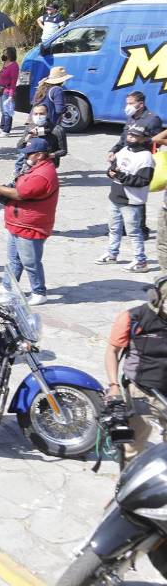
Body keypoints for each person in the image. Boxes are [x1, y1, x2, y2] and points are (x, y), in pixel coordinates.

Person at [0, 138, 60, 305]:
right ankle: (7, 287)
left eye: (29, 154)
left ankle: (39, 292)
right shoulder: (35, 168)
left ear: (40, 155)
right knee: (14, 259)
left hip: (31, 226)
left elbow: (20, 194)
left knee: (30, 262)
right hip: (18, 223)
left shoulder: (42, 175)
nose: (26, 157)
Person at [103, 276, 167, 459]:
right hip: (144, 394)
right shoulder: (133, 318)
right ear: (157, 298)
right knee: (132, 448)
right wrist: (113, 386)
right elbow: (112, 352)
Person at [96, 124, 154, 273]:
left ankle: (140, 261)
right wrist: (110, 172)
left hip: (132, 201)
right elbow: (114, 167)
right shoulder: (123, 150)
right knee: (114, 228)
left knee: (134, 232)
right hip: (115, 196)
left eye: (135, 136)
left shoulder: (146, 158)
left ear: (143, 139)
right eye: (130, 135)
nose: (130, 138)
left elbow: (143, 181)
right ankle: (112, 253)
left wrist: (121, 176)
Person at [109, 90, 165, 161]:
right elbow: (123, 139)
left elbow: (157, 142)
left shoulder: (153, 119)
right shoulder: (131, 117)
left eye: (131, 104)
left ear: (141, 104)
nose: (128, 107)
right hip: (126, 155)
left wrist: (141, 140)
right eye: (127, 104)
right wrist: (113, 150)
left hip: (141, 159)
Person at [0, 46, 19, 135]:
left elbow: (14, 81)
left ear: (10, 55)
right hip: (1, 89)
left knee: (7, 111)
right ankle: (1, 127)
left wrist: (10, 95)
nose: (4, 55)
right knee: (2, 110)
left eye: (5, 53)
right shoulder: (5, 63)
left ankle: (6, 130)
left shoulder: (14, 65)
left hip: (8, 90)